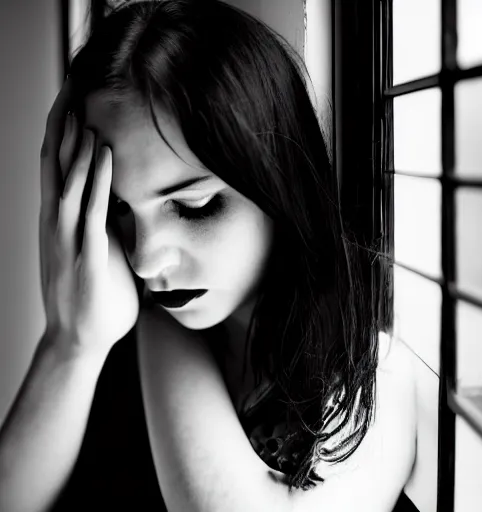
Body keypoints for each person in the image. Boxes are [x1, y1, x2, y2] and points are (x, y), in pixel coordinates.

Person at [0, 1, 417, 510]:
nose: (144, 259)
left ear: (280, 181)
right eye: (119, 211)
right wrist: (68, 345)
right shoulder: (117, 331)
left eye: (194, 207)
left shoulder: (371, 369)